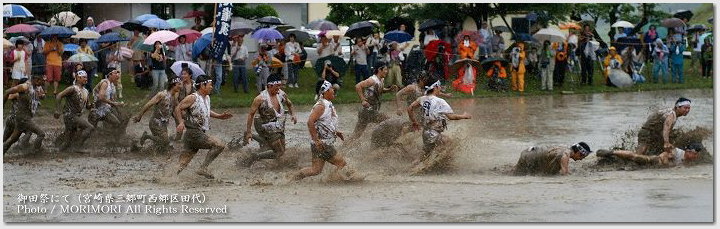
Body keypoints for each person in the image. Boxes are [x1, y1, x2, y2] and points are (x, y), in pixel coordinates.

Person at [288, 80, 359, 181]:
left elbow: (324, 123)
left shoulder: (326, 103)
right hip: (323, 144)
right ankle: (336, 180)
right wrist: (316, 140)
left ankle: (292, 179)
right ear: (325, 92)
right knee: (342, 164)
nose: (333, 90)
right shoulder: (321, 106)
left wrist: (335, 132)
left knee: (315, 170)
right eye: (330, 88)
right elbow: (310, 122)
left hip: (318, 144)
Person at [174, 75, 233, 179]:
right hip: (194, 133)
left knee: (182, 164)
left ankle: (167, 178)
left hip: (194, 134)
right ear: (202, 85)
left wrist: (220, 116)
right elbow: (177, 108)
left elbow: (206, 111)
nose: (212, 87)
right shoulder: (193, 97)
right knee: (219, 145)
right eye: (210, 85)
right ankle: (203, 168)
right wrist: (180, 122)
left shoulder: (207, 97)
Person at [407, 80, 472, 164]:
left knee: (425, 155)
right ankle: (439, 164)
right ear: (435, 87)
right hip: (433, 133)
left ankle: (416, 167)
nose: (440, 89)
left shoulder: (422, 98)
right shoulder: (440, 101)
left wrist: (414, 122)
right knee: (449, 143)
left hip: (426, 132)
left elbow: (409, 108)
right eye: (439, 87)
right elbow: (452, 117)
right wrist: (464, 116)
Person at [239, 74, 298, 167]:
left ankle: (267, 160)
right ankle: (254, 157)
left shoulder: (281, 94)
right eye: (277, 86)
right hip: (264, 125)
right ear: (269, 86)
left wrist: (293, 115)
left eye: (280, 86)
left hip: (277, 125)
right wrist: (249, 131)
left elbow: (290, 104)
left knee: (281, 151)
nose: (279, 88)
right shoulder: (260, 98)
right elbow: (251, 114)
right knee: (279, 151)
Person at [627, 97, 693, 156]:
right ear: (677, 107)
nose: (687, 110)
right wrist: (666, 143)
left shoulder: (671, 113)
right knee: (639, 154)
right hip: (647, 133)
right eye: (685, 108)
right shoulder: (671, 115)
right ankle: (627, 160)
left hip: (654, 134)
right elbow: (666, 128)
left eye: (688, 108)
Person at [132, 76, 182, 151]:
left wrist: (181, 120)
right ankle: (147, 136)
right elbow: (149, 104)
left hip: (164, 124)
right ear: (173, 84)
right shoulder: (162, 95)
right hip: (156, 122)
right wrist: (139, 116)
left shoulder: (174, 96)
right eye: (179, 84)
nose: (180, 86)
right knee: (165, 141)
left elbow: (176, 109)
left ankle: (140, 149)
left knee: (162, 147)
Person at [353, 62, 398, 137]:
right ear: (379, 70)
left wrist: (389, 89)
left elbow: (379, 90)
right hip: (367, 111)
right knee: (388, 121)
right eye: (385, 69)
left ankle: (343, 147)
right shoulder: (372, 80)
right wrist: (363, 100)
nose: (387, 71)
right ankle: (380, 141)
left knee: (356, 135)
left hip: (369, 111)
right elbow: (358, 86)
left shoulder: (381, 80)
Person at [3, 75, 46, 152]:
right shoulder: (25, 86)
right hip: (23, 118)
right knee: (41, 134)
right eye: (42, 82)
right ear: (36, 80)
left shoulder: (36, 87)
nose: (43, 84)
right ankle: (33, 153)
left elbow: (42, 96)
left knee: (12, 140)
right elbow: (7, 92)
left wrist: (41, 96)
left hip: (24, 117)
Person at [54, 70, 94, 152]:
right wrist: (58, 110)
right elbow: (59, 96)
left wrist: (91, 106)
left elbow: (87, 106)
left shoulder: (86, 91)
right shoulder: (73, 88)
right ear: (78, 78)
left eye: (86, 77)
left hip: (76, 116)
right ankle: (78, 147)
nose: (86, 79)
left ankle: (57, 152)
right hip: (70, 115)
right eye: (84, 77)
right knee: (89, 127)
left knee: (68, 141)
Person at [513, 142, 592, 176]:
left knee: (516, 173)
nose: (581, 159)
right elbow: (565, 174)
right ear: (579, 153)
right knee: (517, 175)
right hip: (530, 157)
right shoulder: (566, 154)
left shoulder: (565, 147)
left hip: (529, 151)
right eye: (582, 157)